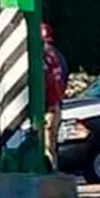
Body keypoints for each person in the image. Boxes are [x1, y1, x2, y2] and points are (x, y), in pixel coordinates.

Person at [41, 21, 66, 171]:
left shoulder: (45, 57)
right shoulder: (57, 56)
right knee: (50, 144)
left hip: (48, 106)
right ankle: (52, 170)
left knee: (46, 144)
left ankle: (50, 171)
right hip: (54, 104)